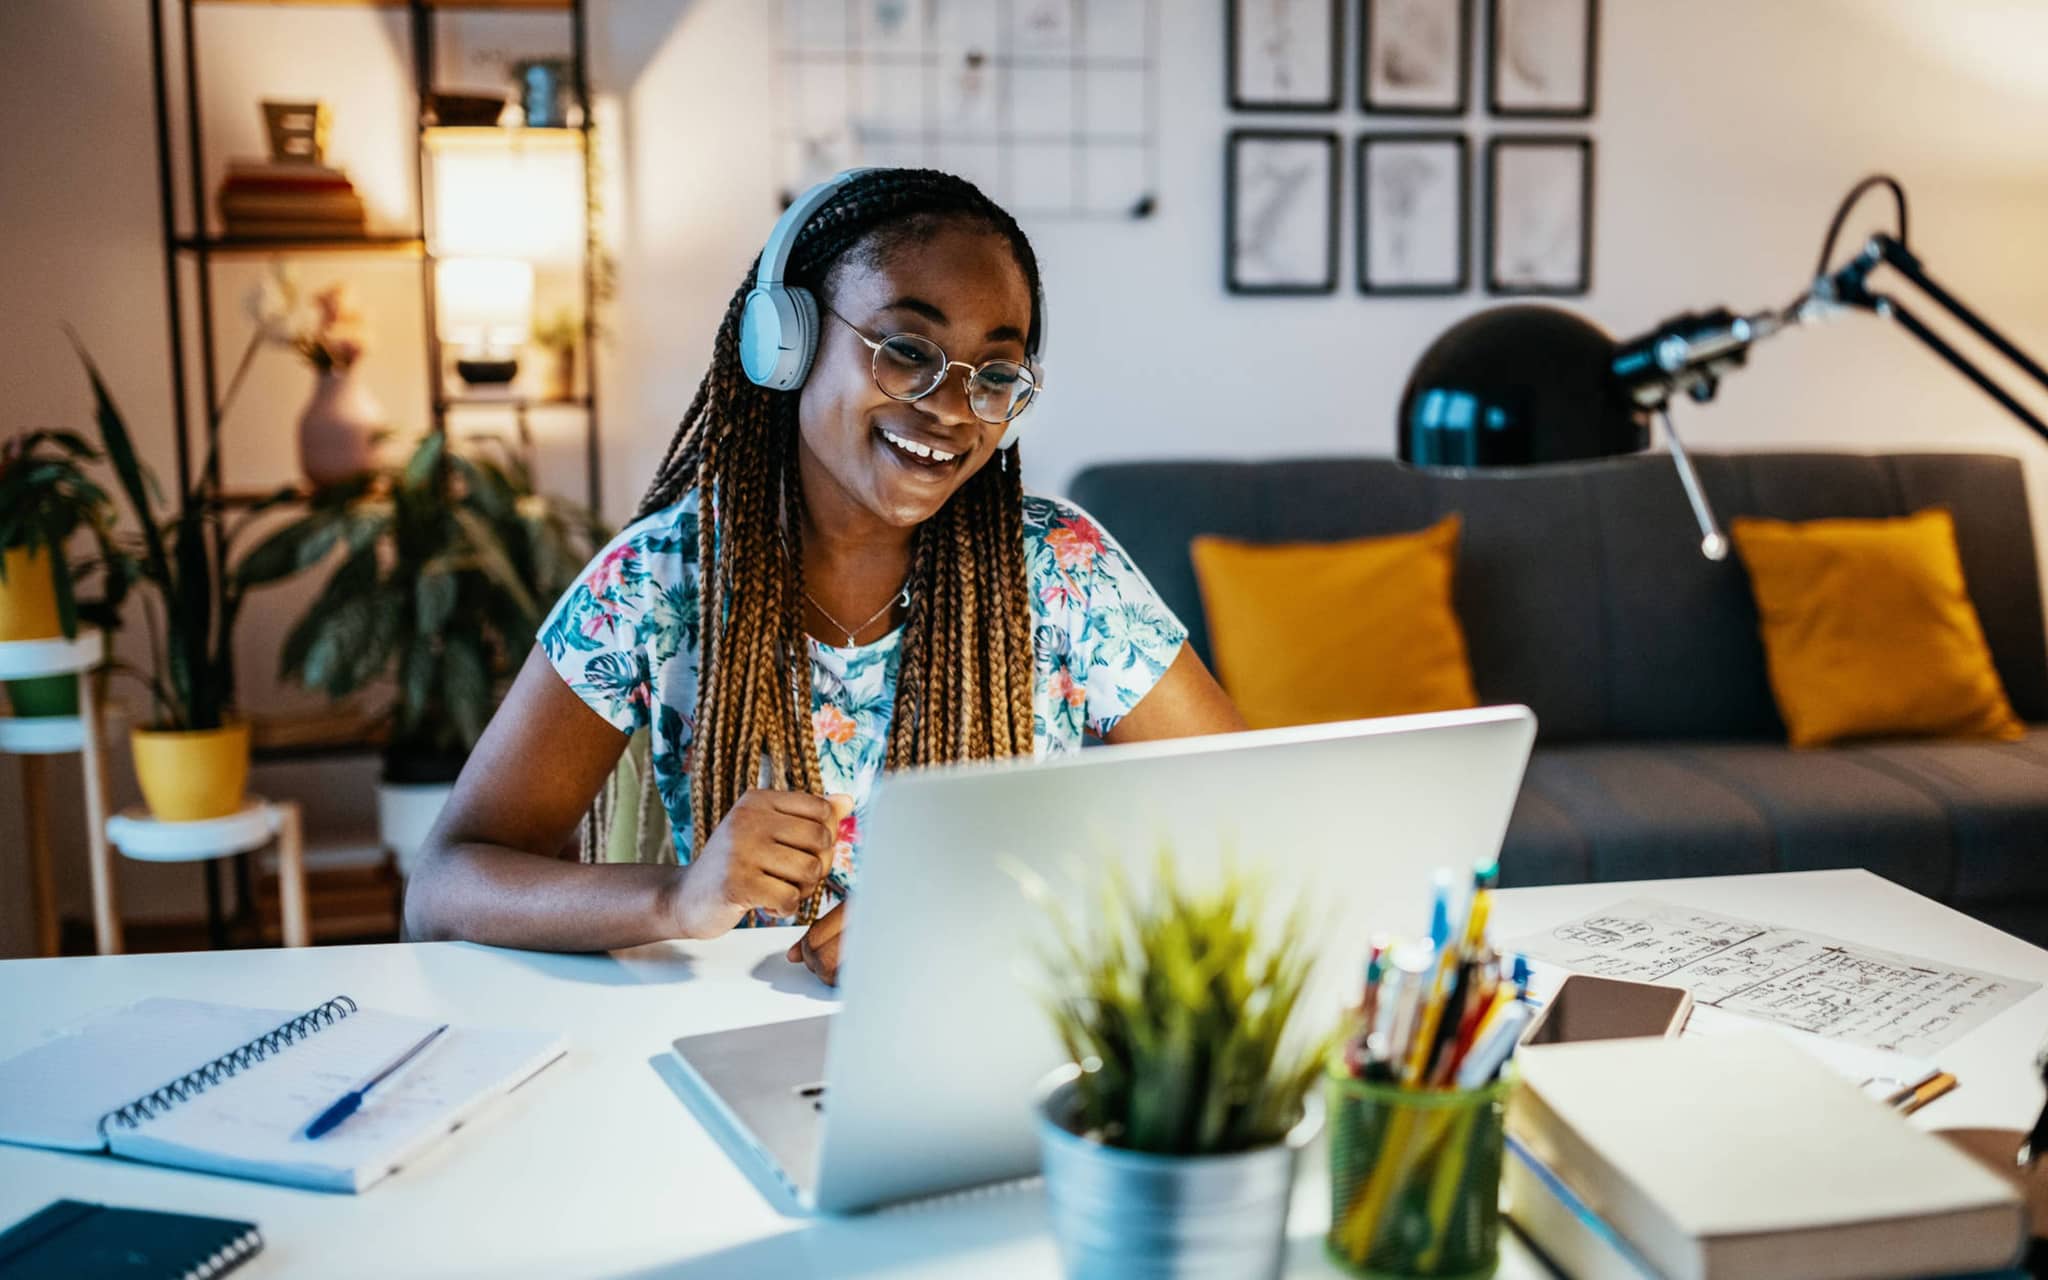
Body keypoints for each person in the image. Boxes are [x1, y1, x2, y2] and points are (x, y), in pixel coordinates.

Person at [403, 167, 1244, 983]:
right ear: (787, 343)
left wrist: (977, 911)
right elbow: (443, 888)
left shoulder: (1063, 570)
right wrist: (677, 898)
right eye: (907, 350)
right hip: (731, 1040)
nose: (951, 408)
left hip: (993, 1035)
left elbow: (1255, 822)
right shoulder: (661, 579)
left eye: (993, 375)